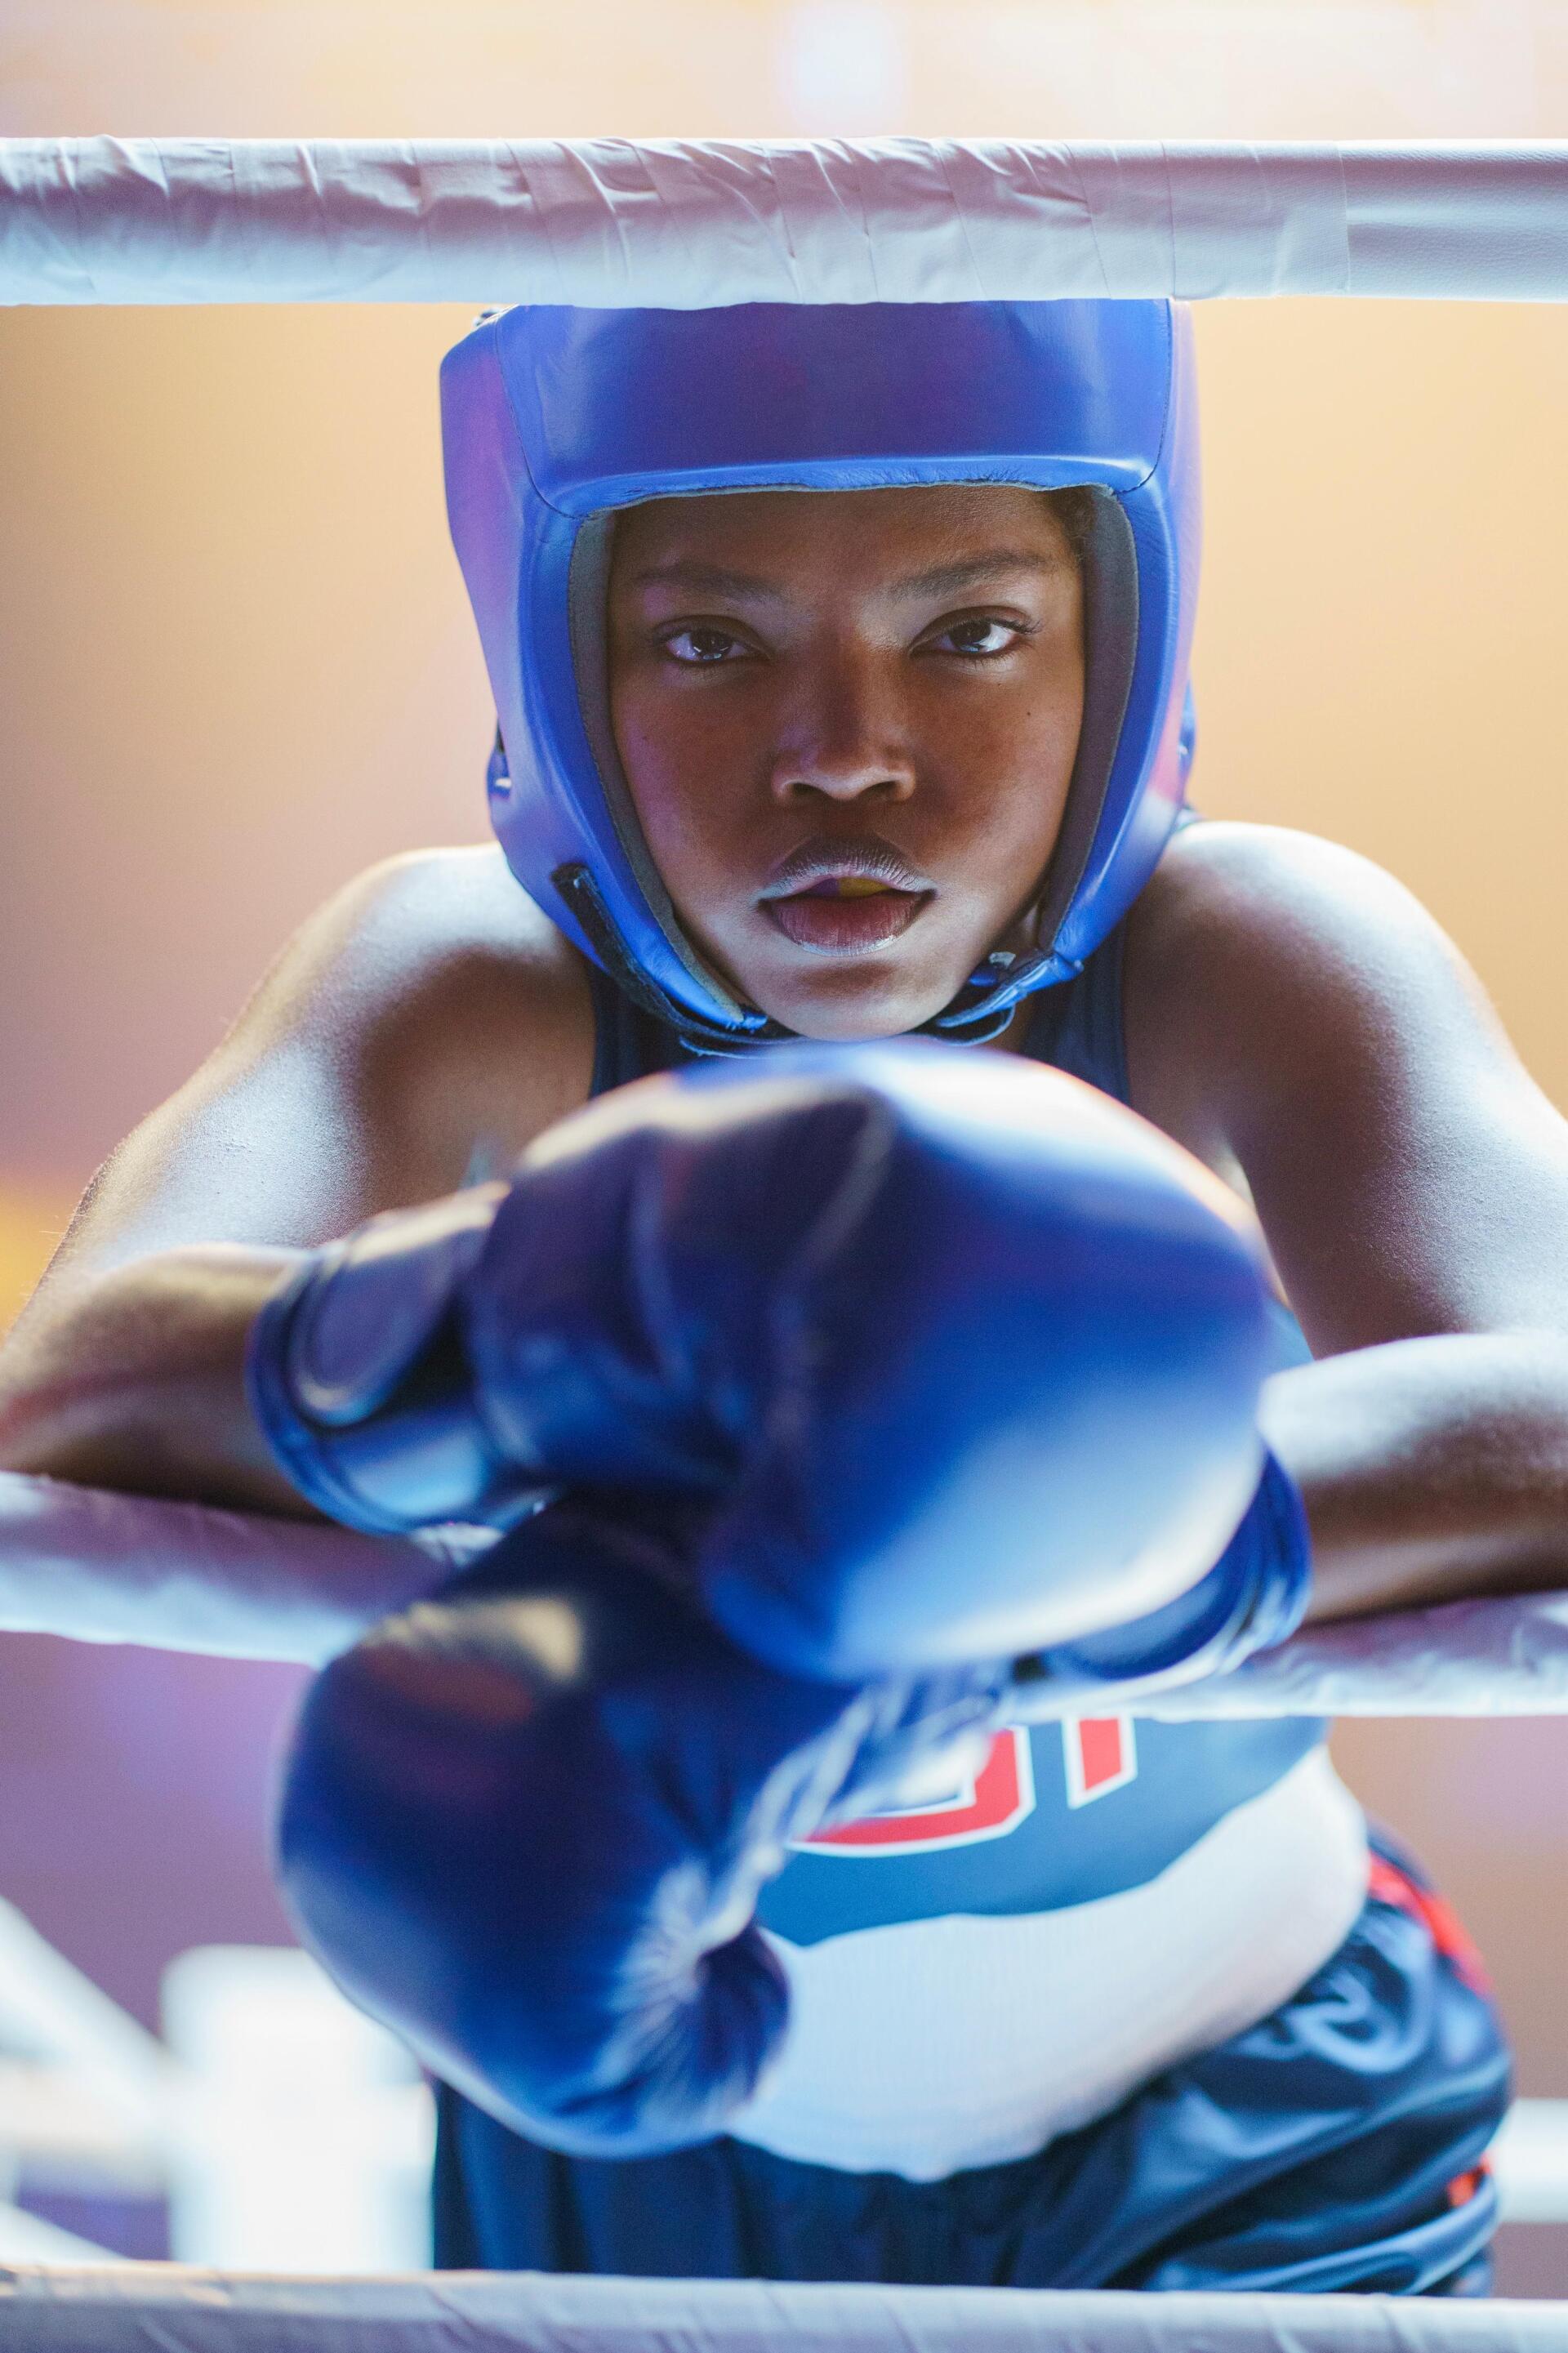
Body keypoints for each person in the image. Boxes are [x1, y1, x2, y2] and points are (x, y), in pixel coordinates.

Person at [3, 294, 1564, 2295]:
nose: (846, 755)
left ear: (1122, 641)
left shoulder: (1241, 951)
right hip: (628, 2113)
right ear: (558, 664)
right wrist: (569, 1295)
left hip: (1232, 2115)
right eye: (711, 642)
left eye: (972, 632)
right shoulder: (460, 978)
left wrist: (1043, 1553)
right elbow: (75, 1385)